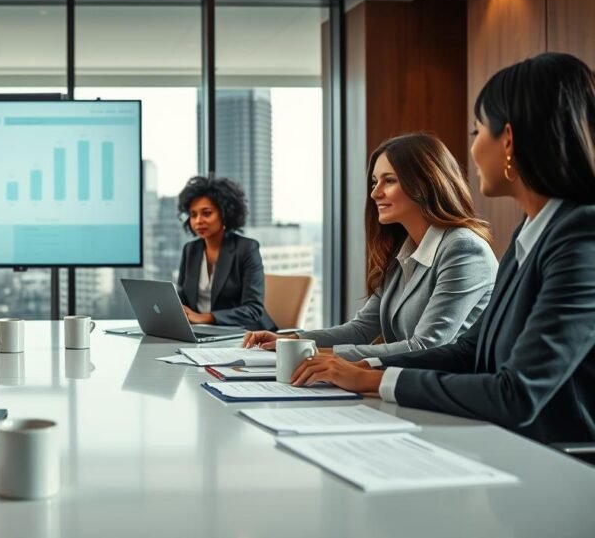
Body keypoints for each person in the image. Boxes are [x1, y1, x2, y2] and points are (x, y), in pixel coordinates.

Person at [289, 52, 595, 444]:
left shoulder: (579, 239)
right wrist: (366, 368)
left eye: (476, 131)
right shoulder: (530, 235)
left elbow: (517, 394)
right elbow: (468, 351)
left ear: (509, 141)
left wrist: (378, 379)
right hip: (502, 441)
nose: (471, 148)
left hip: (556, 463)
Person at [243, 133, 497, 360]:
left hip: (443, 393)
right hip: (405, 384)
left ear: (425, 183)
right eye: (375, 182)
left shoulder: (462, 249)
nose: (375, 193)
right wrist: (292, 340)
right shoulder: (404, 251)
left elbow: (425, 347)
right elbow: (362, 329)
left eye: (389, 181)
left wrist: (320, 355)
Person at [175, 176, 275, 331]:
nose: (198, 221)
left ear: (225, 213)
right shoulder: (190, 250)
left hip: (246, 334)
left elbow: (253, 309)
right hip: (202, 333)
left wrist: (205, 318)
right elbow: (182, 298)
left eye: (206, 213)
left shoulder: (247, 248)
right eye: (193, 215)